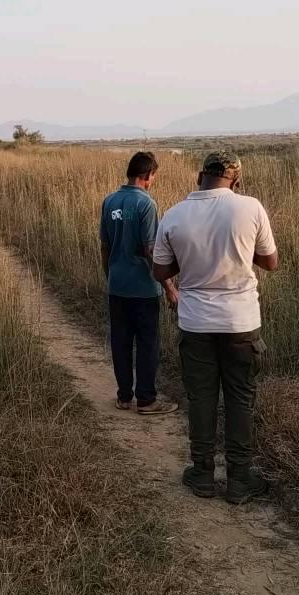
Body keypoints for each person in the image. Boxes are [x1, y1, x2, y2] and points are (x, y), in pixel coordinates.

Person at [153, 151, 278, 504]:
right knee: (240, 400)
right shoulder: (250, 207)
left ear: (199, 177)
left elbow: (160, 271)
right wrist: (240, 250)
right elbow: (271, 262)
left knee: (201, 398)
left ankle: (202, 473)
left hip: (195, 323)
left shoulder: (174, 214)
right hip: (241, 323)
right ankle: (240, 479)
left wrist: (190, 260)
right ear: (236, 181)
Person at [100, 151, 179, 415]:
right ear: (147, 175)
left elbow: (104, 246)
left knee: (120, 342)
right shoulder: (146, 204)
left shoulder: (109, 201)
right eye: (153, 176)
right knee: (147, 343)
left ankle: (124, 396)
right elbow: (150, 250)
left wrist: (110, 275)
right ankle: (146, 400)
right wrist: (170, 288)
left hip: (117, 285)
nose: (153, 181)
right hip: (143, 289)